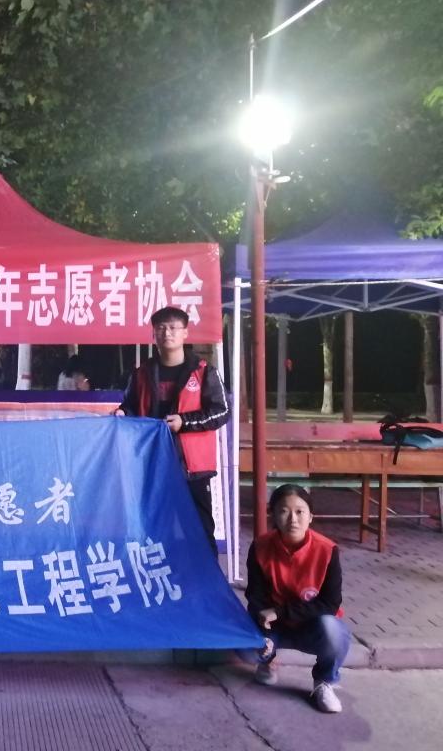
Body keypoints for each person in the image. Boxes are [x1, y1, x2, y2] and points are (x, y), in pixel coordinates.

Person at [115, 306, 228, 556]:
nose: (167, 333)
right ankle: (161, 575)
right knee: (155, 529)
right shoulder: (141, 374)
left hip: (192, 468)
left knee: (199, 529)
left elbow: (222, 412)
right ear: (153, 334)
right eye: (161, 328)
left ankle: (206, 577)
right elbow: (130, 406)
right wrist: (123, 413)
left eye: (173, 328)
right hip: (153, 464)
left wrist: (184, 422)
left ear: (185, 332)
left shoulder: (204, 371)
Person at [244, 483, 350, 714]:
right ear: (273, 515)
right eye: (284, 511)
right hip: (275, 626)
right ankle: (268, 661)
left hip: (311, 626)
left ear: (311, 516)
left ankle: (324, 682)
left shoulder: (327, 550)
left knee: (333, 630)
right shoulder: (260, 547)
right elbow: (255, 595)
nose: (293, 519)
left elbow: (330, 603)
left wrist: (280, 612)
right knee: (244, 645)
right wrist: (263, 631)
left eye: (300, 511)